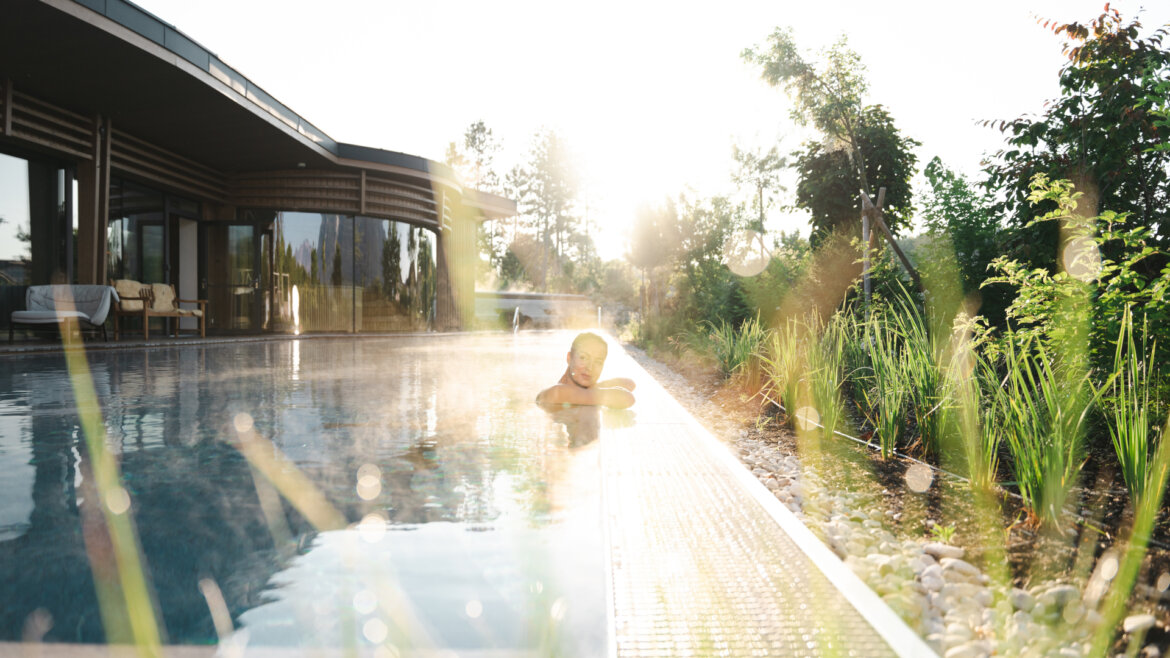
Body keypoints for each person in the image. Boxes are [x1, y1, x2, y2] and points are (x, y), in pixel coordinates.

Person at [536, 332, 636, 408]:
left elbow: (629, 383)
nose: (590, 367)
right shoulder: (557, 393)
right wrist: (595, 389)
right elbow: (627, 398)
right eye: (583, 358)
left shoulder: (581, 393)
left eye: (598, 362)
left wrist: (596, 387)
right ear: (569, 358)